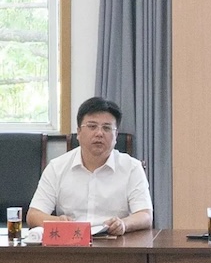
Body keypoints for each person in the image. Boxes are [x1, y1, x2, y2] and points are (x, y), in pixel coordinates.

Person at [26, 97, 153, 235]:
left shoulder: (132, 168)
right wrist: (58, 221)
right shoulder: (57, 167)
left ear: (116, 135)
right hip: (71, 241)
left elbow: (145, 215)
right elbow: (34, 215)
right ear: (79, 132)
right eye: (92, 126)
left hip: (115, 242)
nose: (99, 133)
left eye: (107, 128)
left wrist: (124, 224)